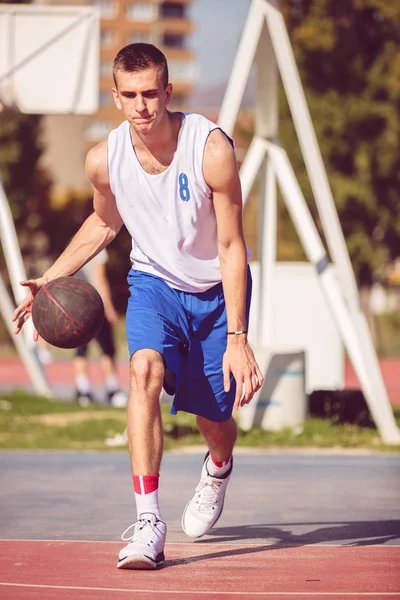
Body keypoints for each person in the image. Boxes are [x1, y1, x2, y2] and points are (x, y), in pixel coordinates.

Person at [12, 43, 264, 570]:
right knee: (142, 370)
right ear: (116, 96)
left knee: (213, 420)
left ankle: (218, 467)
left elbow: (231, 245)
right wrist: (51, 277)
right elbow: (105, 222)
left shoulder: (210, 148)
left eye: (151, 93)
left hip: (215, 294)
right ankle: (148, 521)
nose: (141, 105)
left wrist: (239, 338)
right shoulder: (105, 160)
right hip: (153, 284)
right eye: (130, 95)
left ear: (168, 92)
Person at [74, 248, 127, 407]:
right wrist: (109, 307)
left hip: (76, 305)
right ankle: (112, 390)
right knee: (107, 350)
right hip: (95, 305)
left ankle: (82, 390)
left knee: (81, 350)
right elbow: (100, 278)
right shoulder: (98, 247)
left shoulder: (74, 245)